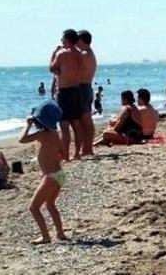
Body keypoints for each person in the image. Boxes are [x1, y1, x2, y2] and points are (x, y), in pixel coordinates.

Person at [19, 102, 66, 244]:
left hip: (50, 177)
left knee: (33, 208)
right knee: (50, 204)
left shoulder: (43, 134)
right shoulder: (55, 134)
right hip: (59, 175)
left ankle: (46, 236)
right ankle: (60, 233)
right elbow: (62, 154)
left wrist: (27, 125)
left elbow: (22, 139)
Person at [50, 29, 84, 161]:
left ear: (67, 39)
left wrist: (54, 53)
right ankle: (76, 153)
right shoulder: (80, 54)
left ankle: (66, 155)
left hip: (64, 91)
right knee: (76, 122)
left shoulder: (62, 53)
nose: (61, 41)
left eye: (63, 38)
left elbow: (52, 68)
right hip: (76, 89)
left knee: (64, 124)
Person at [76, 29, 97, 157]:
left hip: (83, 88)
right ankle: (87, 148)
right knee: (86, 120)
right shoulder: (88, 53)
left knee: (85, 121)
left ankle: (87, 148)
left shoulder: (85, 54)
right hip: (86, 88)